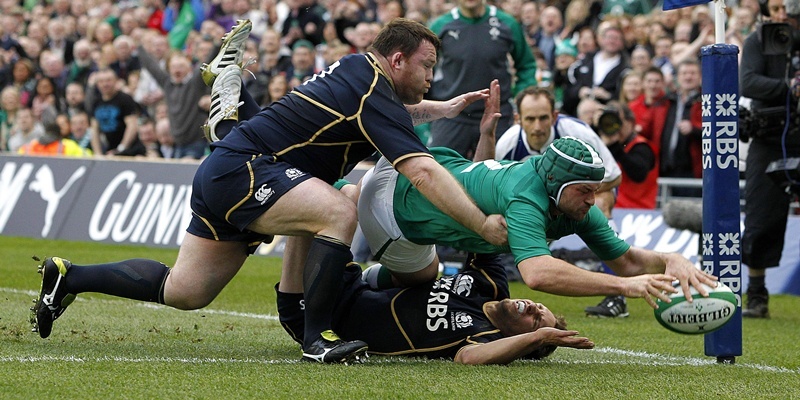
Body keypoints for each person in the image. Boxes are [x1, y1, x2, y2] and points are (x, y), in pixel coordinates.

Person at [32, 18, 507, 365]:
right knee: (338, 211)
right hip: (247, 170)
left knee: (185, 291)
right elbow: (422, 172)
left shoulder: (360, 74)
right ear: (397, 59)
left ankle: (68, 277)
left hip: (232, 171)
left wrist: (441, 110)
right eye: (427, 66)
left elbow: (394, 114)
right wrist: (481, 225)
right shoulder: (372, 91)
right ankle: (315, 337)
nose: (431, 76)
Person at [353, 135, 717, 311]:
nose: (593, 201)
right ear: (557, 186)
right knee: (421, 280)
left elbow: (628, 261)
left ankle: (358, 257)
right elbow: (538, 273)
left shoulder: (573, 206)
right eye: (585, 191)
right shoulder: (527, 196)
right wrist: (626, 287)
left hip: (418, 170)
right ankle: (350, 277)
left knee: (426, 277)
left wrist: (669, 258)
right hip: (392, 211)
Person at [276, 253, 595, 365]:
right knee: (345, 195)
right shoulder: (491, 284)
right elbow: (484, 203)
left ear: (521, 338)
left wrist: (539, 338)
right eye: (540, 307)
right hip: (350, 284)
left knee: (325, 216)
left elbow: (467, 359)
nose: (532, 308)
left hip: (315, 317)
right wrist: (486, 136)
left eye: (535, 320)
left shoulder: (483, 338)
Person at [739, 0, 800, 318]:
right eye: (777, 9)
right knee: (761, 219)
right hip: (768, 138)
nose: (783, 17)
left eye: (788, 10)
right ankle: (757, 293)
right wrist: (788, 87)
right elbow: (747, 82)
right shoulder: (758, 40)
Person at [426, 0, 538, 159]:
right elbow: (423, 67)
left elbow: (526, 65)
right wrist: (431, 105)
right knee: (437, 171)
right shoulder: (440, 26)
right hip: (451, 115)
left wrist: (521, 99)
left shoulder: (507, 23)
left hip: (497, 114)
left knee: (501, 174)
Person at [597, 102, 657, 209]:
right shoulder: (604, 146)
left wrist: (615, 146)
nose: (613, 126)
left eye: (616, 120)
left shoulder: (642, 146)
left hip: (636, 213)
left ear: (630, 122)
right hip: (610, 209)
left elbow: (639, 174)